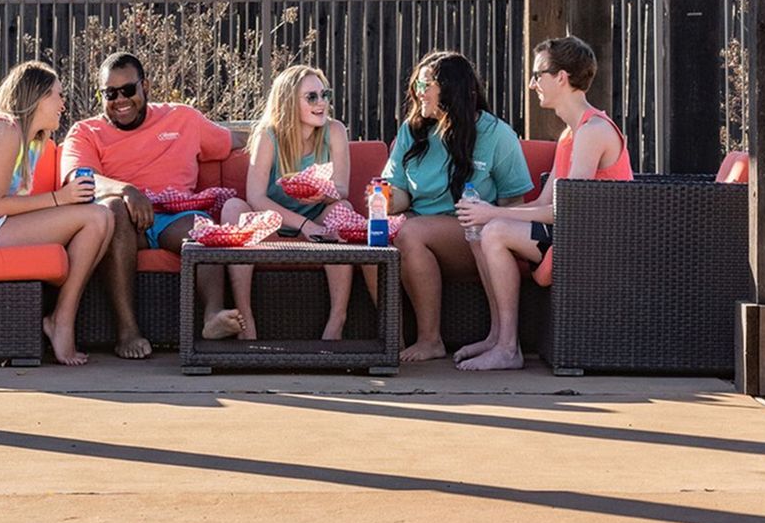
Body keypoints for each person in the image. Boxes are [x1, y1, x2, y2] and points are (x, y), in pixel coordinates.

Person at [454, 35, 633, 371]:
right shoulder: (570, 133)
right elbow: (544, 201)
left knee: (493, 230)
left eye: (538, 75)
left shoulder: (593, 130)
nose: (532, 83)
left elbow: (570, 213)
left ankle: (509, 349)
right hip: (577, 234)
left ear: (561, 77)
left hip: (601, 244)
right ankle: (497, 337)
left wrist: (493, 212)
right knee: (481, 228)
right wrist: (485, 213)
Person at [62, 52, 250, 359]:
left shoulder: (182, 118)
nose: (120, 100)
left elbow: (235, 141)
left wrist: (285, 134)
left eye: (128, 90)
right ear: (101, 96)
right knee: (113, 209)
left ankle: (213, 316)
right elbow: (78, 178)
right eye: (110, 93)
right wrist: (126, 190)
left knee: (204, 228)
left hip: (174, 218)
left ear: (145, 86)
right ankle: (127, 331)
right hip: (121, 225)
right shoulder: (85, 132)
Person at [0, 61, 114, 366]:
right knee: (95, 217)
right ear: (37, 97)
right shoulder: (4, 129)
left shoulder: (32, 142)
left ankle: (59, 317)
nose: (63, 104)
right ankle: (61, 320)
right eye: (58, 96)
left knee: (104, 217)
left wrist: (66, 201)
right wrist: (61, 199)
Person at [382, 50, 535, 363]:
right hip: (419, 232)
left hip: (475, 240)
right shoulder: (412, 130)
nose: (416, 93)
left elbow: (513, 205)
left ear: (449, 89)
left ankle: (430, 340)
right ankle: (387, 339)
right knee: (389, 233)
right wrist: (382, 198)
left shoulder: (496, 135)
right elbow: (400, 193)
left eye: (425, 86)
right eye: (416, 86)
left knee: (410, 232)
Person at [229, 64, 377, 340]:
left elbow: (342, 189)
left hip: (320, 225)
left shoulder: (335, 131)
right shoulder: (268, 135)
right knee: (232, 209)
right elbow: (256, 196)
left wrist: (325, 193)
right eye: (312, 97)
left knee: (343, 211)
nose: (322, 103)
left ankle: (337, 322)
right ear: (288, 101)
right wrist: (304, 225)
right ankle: (244, 320)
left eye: (325, 94)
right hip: (272, 226)